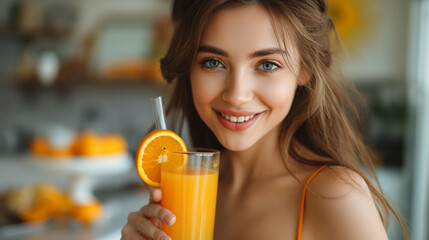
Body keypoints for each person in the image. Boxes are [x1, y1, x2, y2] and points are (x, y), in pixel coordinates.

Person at [121, 0, 408, 239]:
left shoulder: (337, 198)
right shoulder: (187, 191)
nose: (236, 95)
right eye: (213, 62)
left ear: (305, 70)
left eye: (267, 65)